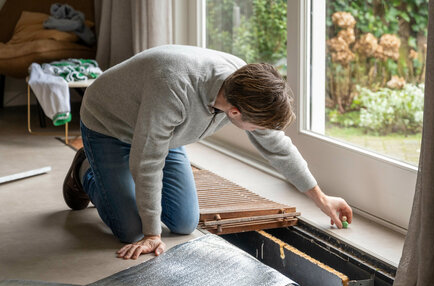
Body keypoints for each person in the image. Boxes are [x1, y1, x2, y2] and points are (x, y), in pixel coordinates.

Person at [63, 45, 352, 260]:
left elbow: (279, 148)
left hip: (164, 132)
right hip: (109, 124)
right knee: (131, 230)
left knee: (184, 222)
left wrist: (322, 199)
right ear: (235, 113)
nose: (262, 131)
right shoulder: (174, 90)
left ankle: (106, 176)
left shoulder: (242, 86)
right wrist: (152, 234)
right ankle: (85, 170)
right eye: (257, 126)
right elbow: (146, 162)